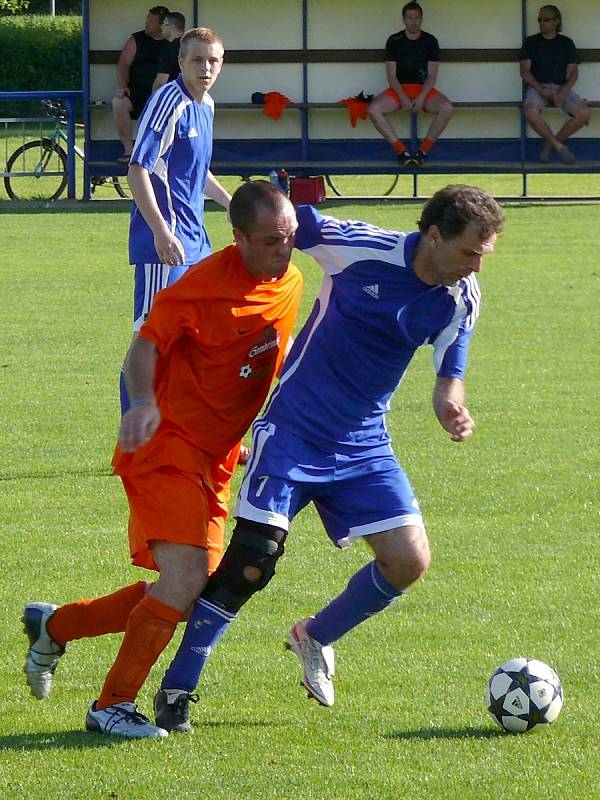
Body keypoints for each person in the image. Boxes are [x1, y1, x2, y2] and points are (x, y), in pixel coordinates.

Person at [149, 184, 505, 733]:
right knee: (251, 560)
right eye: (468, 252)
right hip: (293, 431)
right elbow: (286, 223)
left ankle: (316, 634)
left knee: (409, 561)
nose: (476, 265)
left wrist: (451, 408)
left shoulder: (462, 297)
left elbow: (447, 382)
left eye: (484, 254)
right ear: (434, 236)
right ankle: (178, 688)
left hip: (364, 444)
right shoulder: (361, 247)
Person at [22, 181, 304, 739]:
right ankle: (112, 706)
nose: (284, 249)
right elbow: (143, 347)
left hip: (218, 458)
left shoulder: (290, 280)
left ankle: (55, 625)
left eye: (291, 237)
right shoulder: (198, 288)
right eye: (272, 240)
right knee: (184, 579)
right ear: (239, 236)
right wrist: (145, 402)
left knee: (186, 588)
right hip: (165, 446)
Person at [121, 26, 232, 414]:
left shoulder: (207, 105)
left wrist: (231, 203)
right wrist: (161, 232)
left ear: (221, 64)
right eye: (197, 60)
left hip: (195, 241)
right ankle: (135, 434)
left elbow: (197, 173)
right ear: (181, 61)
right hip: (163, 244)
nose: (205, 67)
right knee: (149, 336)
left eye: (212, 60)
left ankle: (183, 423)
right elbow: (138, 169)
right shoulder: (170, 102)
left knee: (197, 334)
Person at [368, 2, 453, 166]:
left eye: (417, 17)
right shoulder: (394, 40)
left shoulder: (430, 41)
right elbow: (391, 76)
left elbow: (432, 75)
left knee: (447, 108)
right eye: (410, 17)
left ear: (421, 19)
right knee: (373, 109)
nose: (413, 21)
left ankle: (423, 151)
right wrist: (402, 97)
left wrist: (421, 98)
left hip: (423, 89)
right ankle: (402, 152)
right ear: (403, 19)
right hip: (399, 89)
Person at [520, 5, 591, 164]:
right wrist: (542, 89)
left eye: (546, 19)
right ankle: (558, 146)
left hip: (560, 86)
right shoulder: (530, 42)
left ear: (557, 21)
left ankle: (550, 144)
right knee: (530, 112)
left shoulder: (566, 43)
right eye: (539, 19)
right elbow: (525, 72)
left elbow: (573, 73)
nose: (541, 23)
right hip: (537, 87)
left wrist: (564, 92)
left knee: (584, 114)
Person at [112, 6, 170, 163]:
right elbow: (123, 64)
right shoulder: (136, 39)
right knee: (118, 103)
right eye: (147, 19)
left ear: (162, 24)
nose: (147, 23)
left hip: (164, 95)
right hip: (137, 93)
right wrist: (123, 86)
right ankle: (129, 151)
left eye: (151, 21)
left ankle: (164, 153)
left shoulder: (173, 42)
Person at [152, 11, 186, 92]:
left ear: (171, 27)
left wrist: (153, 100)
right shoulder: (188, 43)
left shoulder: (171, 48)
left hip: (173, 94)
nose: (161, 27)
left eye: (164, 24)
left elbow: (160, 84)